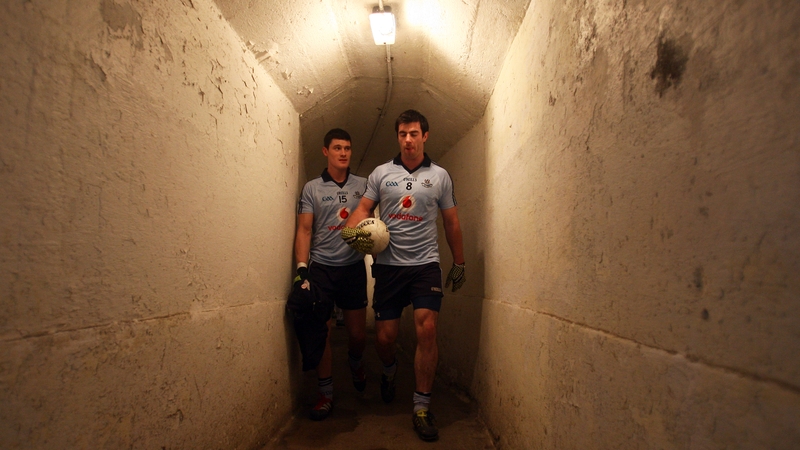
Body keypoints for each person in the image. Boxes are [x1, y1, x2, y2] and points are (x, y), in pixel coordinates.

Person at [341, 110, 465, 441]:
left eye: (413, 134)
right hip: (389, 267)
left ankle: (421, 407)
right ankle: (390, 369)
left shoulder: (440, 176)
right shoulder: (382, 174)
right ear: (397, 137)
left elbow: (451, 221)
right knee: (385, 338)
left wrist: (460, 262)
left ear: (425, 136)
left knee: (428, 329)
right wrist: (350, 230)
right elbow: (364, 209)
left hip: (425, 265)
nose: (408, 140)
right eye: (402, 134)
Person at [293, 128, 369, 421]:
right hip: (322, 269)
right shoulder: (312, 188)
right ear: (326, 151)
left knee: (357, 335)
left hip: (352, 267)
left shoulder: (363, 185)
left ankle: (355, 361)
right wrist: (302, 269)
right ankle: (325, 393)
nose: (343, 153)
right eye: (337, 148)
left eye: (347, 148)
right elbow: (304, 230)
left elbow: (374, 225)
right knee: (321, 332)